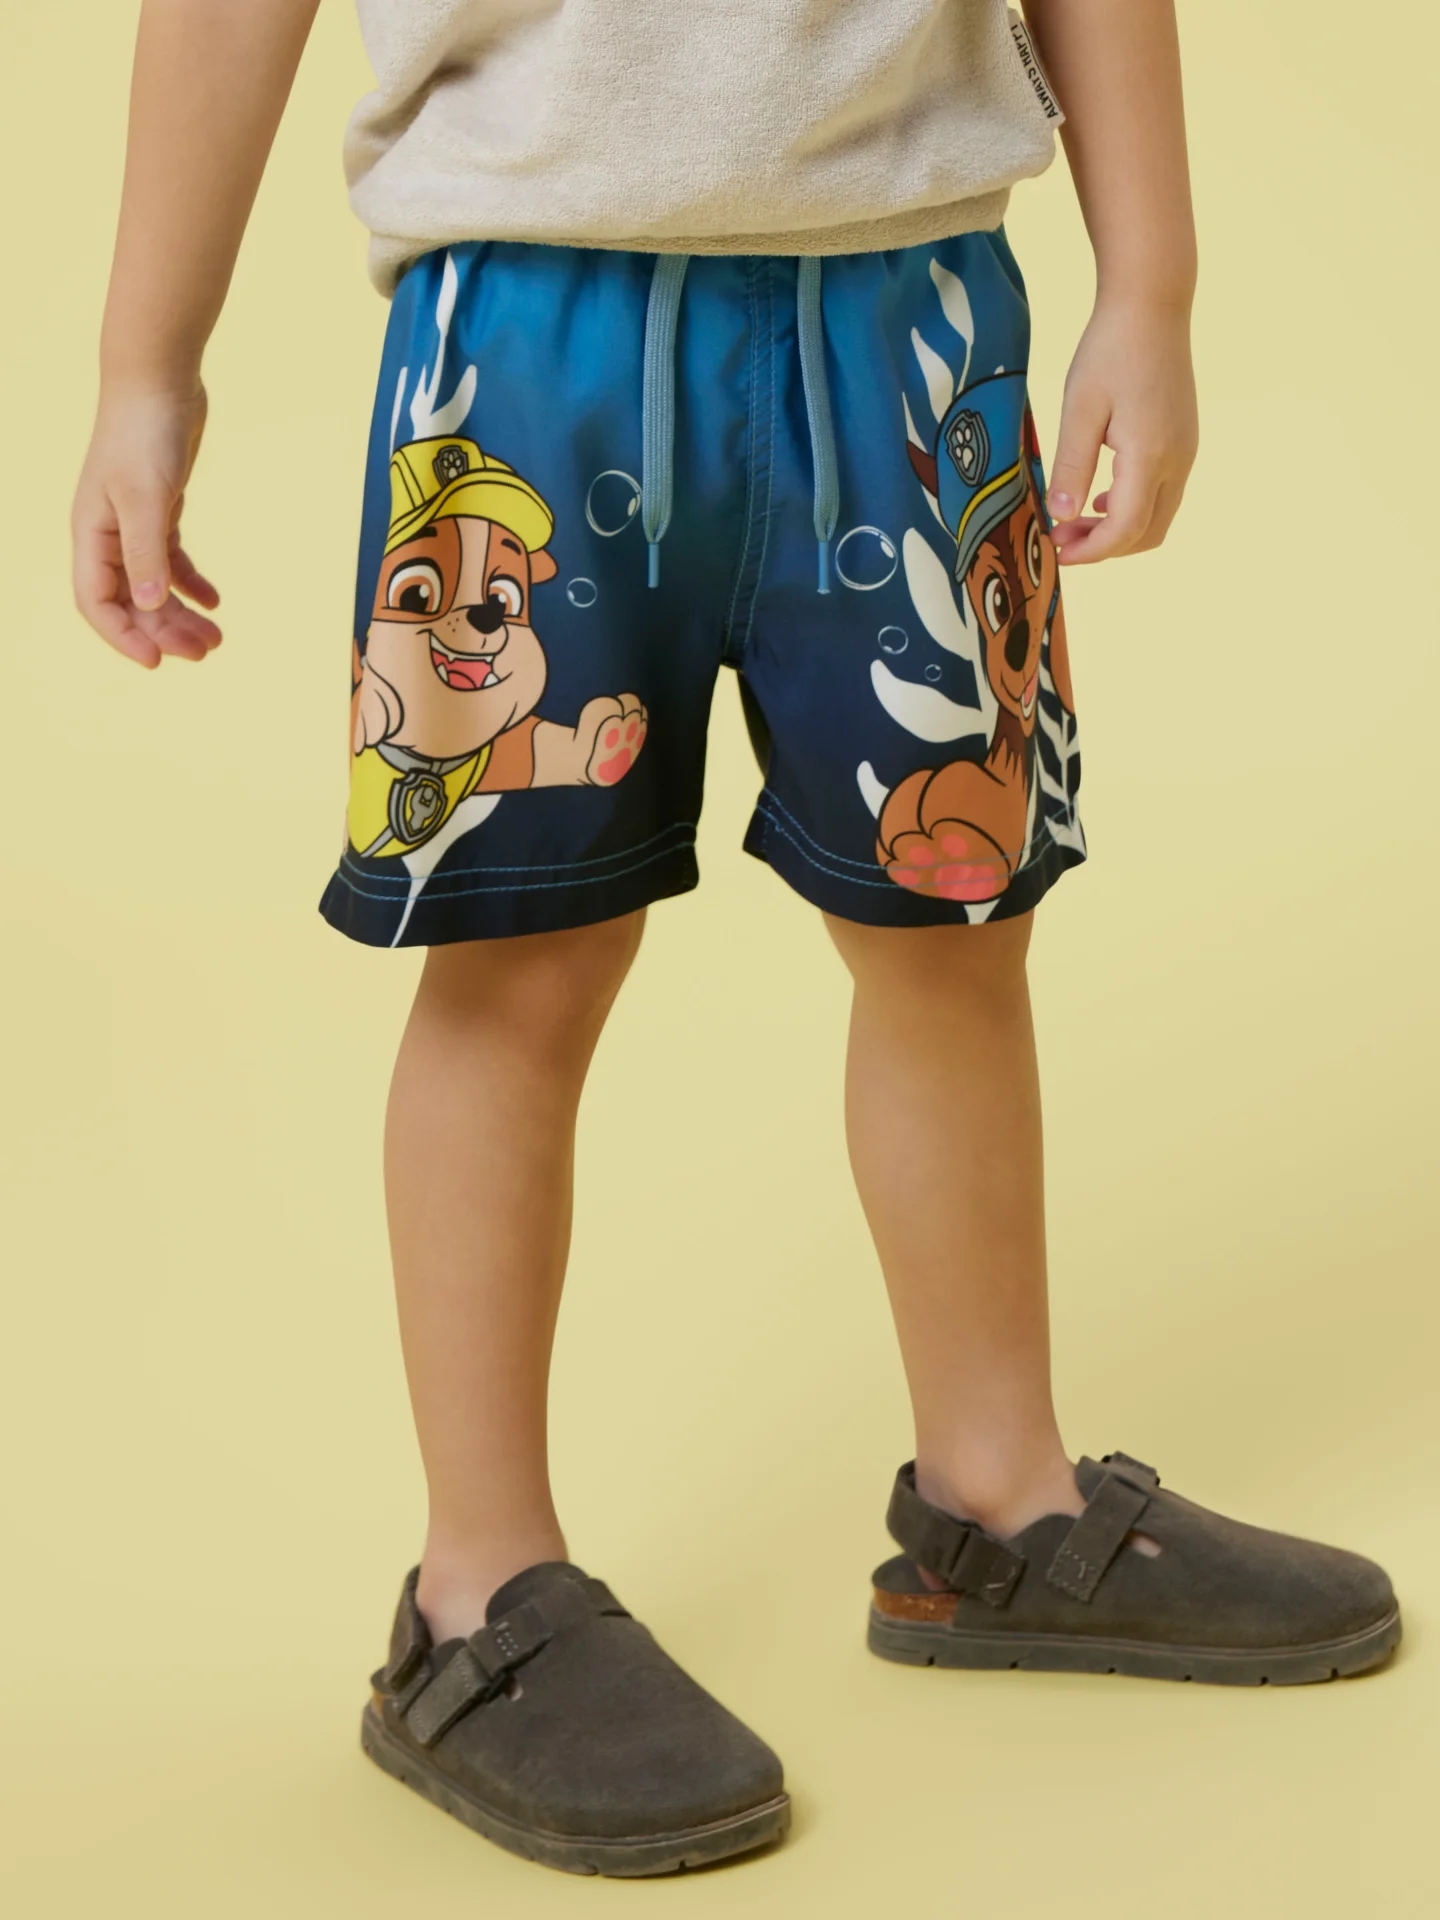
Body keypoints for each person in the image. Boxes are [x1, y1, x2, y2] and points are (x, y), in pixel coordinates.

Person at [72, 0, 1400, 1879]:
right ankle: (477, 1595)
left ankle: (998, 1506)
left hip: (911, 314)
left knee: (954, 921)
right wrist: (145, 366)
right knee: (520, 958)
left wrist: (1151, 285)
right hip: (527, 334)